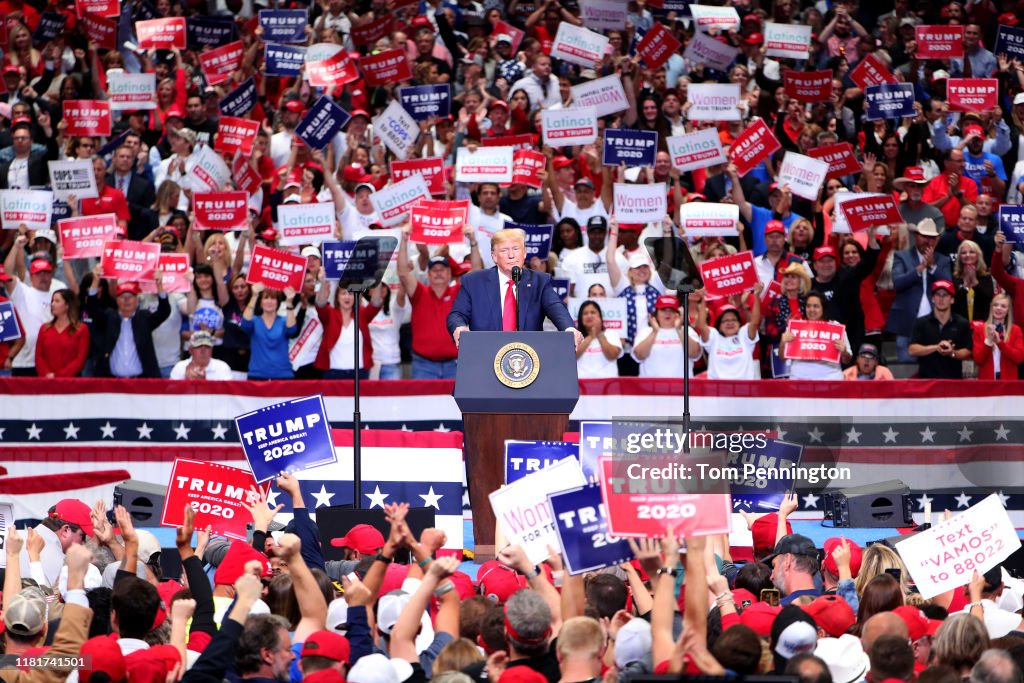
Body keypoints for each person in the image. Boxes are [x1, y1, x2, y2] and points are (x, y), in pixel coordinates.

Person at [448, 228, 581, 349]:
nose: (511, 255)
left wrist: (569, 329)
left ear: (524, 253)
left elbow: (556, 307)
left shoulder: (539, 281)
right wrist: (459, 327)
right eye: (504, 250)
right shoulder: (474, 282)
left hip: (528, 358)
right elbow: (457, 314)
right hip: (485, 354)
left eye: (516, 249)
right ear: (494, 256)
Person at [887, 219, 953, 363]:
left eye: (931, 238)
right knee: (905, 368)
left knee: (934, 366)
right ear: (916, 236)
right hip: (907, 322)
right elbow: (898, 283)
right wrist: (920, 268)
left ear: (937, 240)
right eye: (924, 236)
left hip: (935, 324)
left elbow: (949, 285)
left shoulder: (943, 260)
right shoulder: (901, 256)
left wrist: (933, 267)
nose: (927, 241)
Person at [86, 279, 171, 379]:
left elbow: (164, 311)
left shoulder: (144, 318)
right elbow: (91, 308)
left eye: (130, 296)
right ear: (117, 300)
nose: (126, 300)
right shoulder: (109, 317)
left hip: (141, 382)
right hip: (112, 383)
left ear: (137, 300)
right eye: (122, 297)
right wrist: (96, 279)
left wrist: (159, 285)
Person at [314, 271, 382, 380]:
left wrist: (378, 281)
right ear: (337, 297)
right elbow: (320, 304)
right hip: (333, 372)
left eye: (350, 293)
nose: (347, 297)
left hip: (360, 372)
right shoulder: (330, 314)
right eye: (343, 293)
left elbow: (376, 303)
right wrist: (323, 283)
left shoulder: (362, 313)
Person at [779, 291, 852, 380]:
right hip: (799, 379)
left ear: (823, 308)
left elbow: (846, 360)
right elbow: (783, 358)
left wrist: (844, 352)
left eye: (816, 306)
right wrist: (782, 343)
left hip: (830, 379)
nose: (811, 310)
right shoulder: (796, 327)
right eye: (808, 306)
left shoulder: (835, 327)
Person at [694, 286, 763, 380]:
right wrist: (703, 300)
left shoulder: (744, 335)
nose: (730, 323)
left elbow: (754, 322)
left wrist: (756, 295)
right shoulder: (714, 337)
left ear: (739, 323)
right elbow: (701, 326)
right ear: (719, 325)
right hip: (718, 389)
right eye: (725, 320)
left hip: (743, 389)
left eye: (733, 320)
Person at [908, 280, 973, 379]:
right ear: (933, 298)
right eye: (938, 295)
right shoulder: (921, 322)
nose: (941, 299)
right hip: (926, 381)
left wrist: (952, 353)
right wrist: (936, 347)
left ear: (952, 299)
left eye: (945, 295)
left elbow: (968, 353)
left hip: (953, 381)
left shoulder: (962, 323)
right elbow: (912, 350)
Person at [631, 296, 702, 378]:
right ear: (656, 314)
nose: (667, 313)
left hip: (681, 387)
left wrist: (679, 330)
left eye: (671, 310)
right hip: (650, 387)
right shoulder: (645, 332)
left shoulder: (688, 331)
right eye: (663, 310)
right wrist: (655, 332)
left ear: (678, 314)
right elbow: (639, 355)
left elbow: (694, 353)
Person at [241, 284, 299, 380]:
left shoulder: (285, 320)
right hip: (257, 375)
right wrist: (254, 295)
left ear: (278, 302)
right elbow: (245, 324)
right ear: (260, 302)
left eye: (273, 298)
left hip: (283, 375)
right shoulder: (254, 321)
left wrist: (289, 302)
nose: (269, 301)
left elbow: (292, 331)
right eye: (266, 298)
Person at [34, 288, 89, 378]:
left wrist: (58, 376)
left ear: (67, 305)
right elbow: (39, 356)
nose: (52, 304)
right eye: (52, 301)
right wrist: (46, 374)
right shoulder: (44, 329)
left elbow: (80, 360)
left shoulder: (81, 329)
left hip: (71, 383)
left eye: (57, 301)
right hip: (46, 382)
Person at [972, 293, 1024, 381]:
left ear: (1008, 310)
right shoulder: (980, 329)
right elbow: (978, 360)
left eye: (1003, 306)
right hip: (987, 382)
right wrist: (988, 341)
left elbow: (1019, 358)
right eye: (995, 305)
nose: (998, 308)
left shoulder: (1015, 330)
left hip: (1008, 382)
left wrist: (1000, 343)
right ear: (991, 307)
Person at [574, 300, 622, 379]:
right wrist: (591, 336)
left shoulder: (611, 333)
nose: (589, 316)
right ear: (580, 318)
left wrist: (599, 334)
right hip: (581, 386)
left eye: (593, 312)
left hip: (608, 385)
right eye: (585, 313)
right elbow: (572, 357)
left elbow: (612, 355)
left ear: (600, 316)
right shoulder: (576, 336)